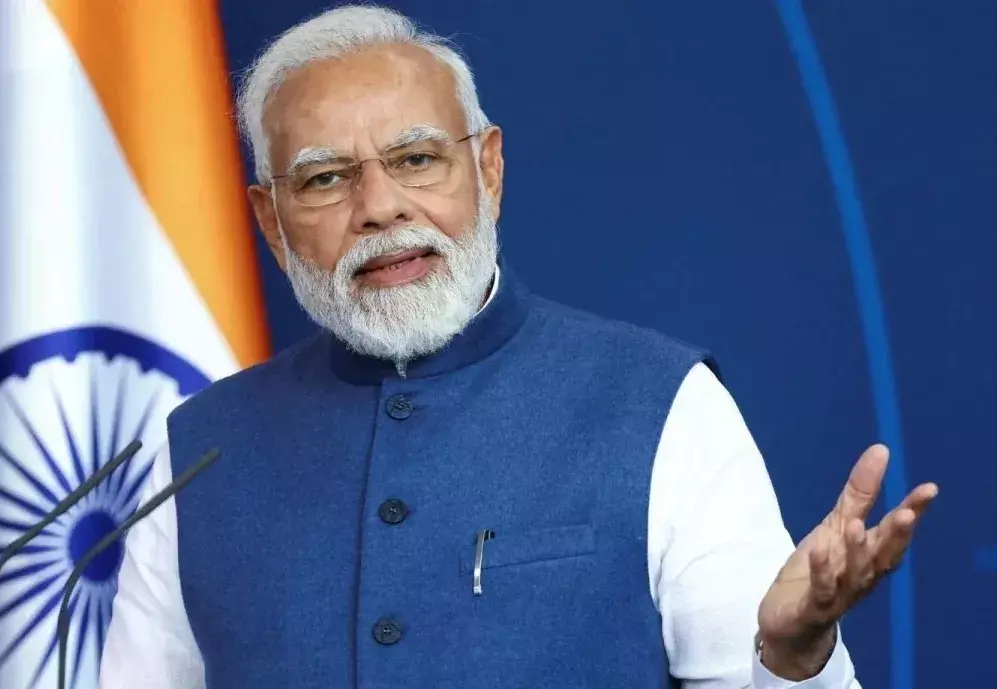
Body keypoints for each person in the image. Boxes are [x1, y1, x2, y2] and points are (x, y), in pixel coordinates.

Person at [99, 5, 937, 688]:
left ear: (489, 170)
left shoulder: (658, 401)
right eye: (325, 178)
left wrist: (792, 661)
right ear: (270, 224)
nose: (380, 206)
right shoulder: (194, 453)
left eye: (416, 159)